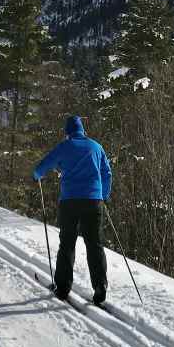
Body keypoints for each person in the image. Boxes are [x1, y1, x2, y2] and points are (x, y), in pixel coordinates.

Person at [33, 116, 112, 304]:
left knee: (67, 243)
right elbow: (107, 172)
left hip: (70, 202)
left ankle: (62, 287)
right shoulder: (96, 146)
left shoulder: (65, 146)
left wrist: (36, 175)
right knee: (94, 244)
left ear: (67, 132)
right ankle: (100, 285)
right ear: (83, 130)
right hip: (94, 201)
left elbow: (42, 166)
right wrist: (104, 194)